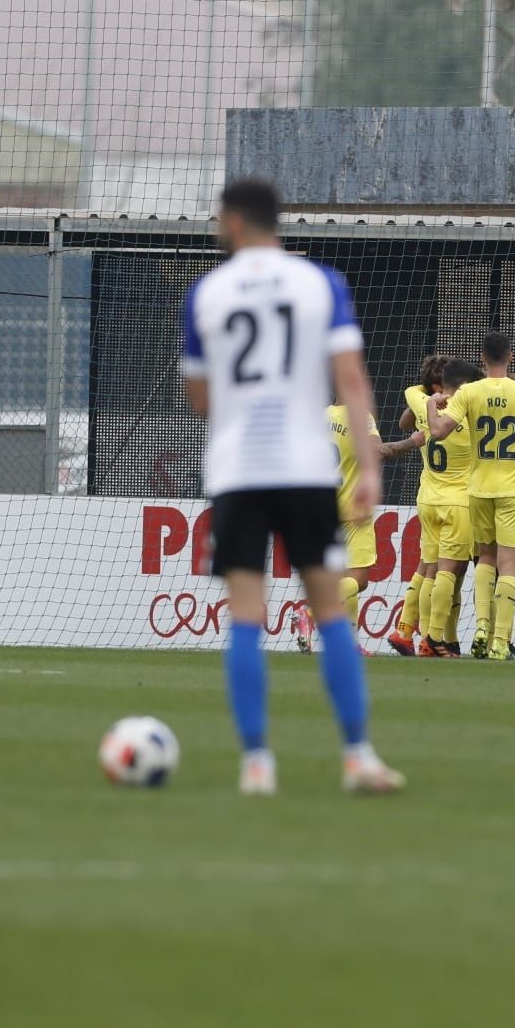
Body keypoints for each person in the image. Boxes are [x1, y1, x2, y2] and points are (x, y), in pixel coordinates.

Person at [179, 178, 406, 795]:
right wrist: (371, 466)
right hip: (308, 469)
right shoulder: (321, 283)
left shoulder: (208, 292)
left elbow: (200, 398)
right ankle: (357, 756)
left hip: (239, 470)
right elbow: (352, 381)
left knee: (247, 617)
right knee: (330, 610)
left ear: (230, 222)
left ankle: (257, 763)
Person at [426, 332, 515, 659]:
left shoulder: (468, 392)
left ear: (482, 357)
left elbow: (436, 431)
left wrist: (429, 404)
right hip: (513, 490)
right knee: (509, 566)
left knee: (485, 559)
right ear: (511, 356)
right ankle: (499, 641)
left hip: (478, 489)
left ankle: (480, 625)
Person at [319, 401, 419, 648]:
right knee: (358, 580)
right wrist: (414, 442)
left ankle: (349, 643)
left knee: (343, 580)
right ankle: (310, 612)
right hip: (354, 511)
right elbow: (377, 452)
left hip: (321, 509)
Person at [418, 358, 481, 656]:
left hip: (429, 500)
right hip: (458, 503)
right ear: (467, 388)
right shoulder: (470, 413)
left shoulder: (424, 404)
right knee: (448, 572)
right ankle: (434, 637)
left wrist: (433, 401)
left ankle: (423, 637)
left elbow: (410, 395)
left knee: (430, 573)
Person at [386, 355, 446, 656]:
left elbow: (403, 422)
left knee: (425, 567)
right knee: (441, 572)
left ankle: (404, 630)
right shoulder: (456, 409)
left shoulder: (420, 399)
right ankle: (431, 639)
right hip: (453, 498)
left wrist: (424, 403)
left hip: (427, 495)